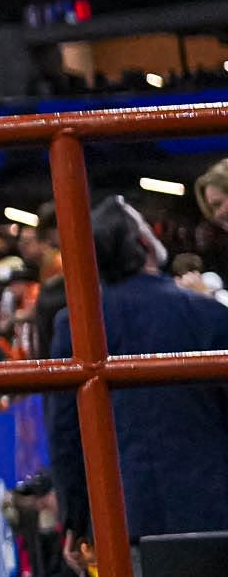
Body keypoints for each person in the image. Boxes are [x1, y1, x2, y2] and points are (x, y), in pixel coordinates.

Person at [47, 196, 228, 544]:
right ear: (144, 242)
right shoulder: (205, 312)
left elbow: (67, 433)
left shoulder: (75, 325)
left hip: (125, 515)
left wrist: (75, 521)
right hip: (213, 504)